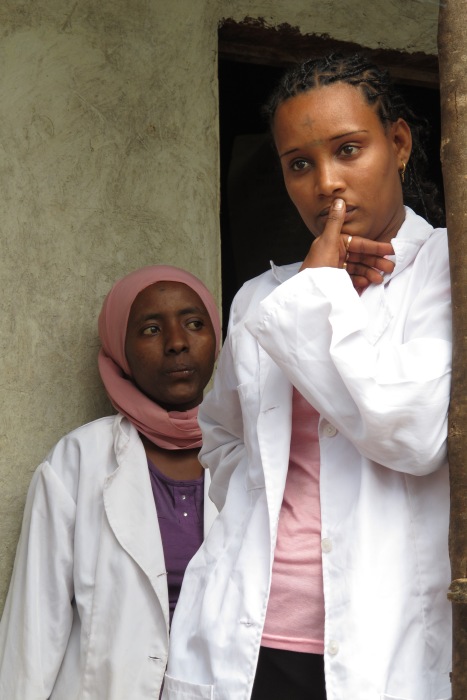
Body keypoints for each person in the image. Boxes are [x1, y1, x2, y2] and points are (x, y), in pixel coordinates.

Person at [162, 53, 452, 700]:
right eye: (300, 164)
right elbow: (222, 441)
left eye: (348, 149)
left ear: (398, 144)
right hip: (247, 632)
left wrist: (320, 291)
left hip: (382, 643)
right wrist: (249, 528)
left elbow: (410, 434)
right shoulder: (261, 296)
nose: (325, 182)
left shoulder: (445, 272)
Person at [0, 264, 221, 699]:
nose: (177, 343)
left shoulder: (252, 457)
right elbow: (34, 626)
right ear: (121, 349)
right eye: (151, 329)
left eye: (194, 323)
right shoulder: (78, 460)